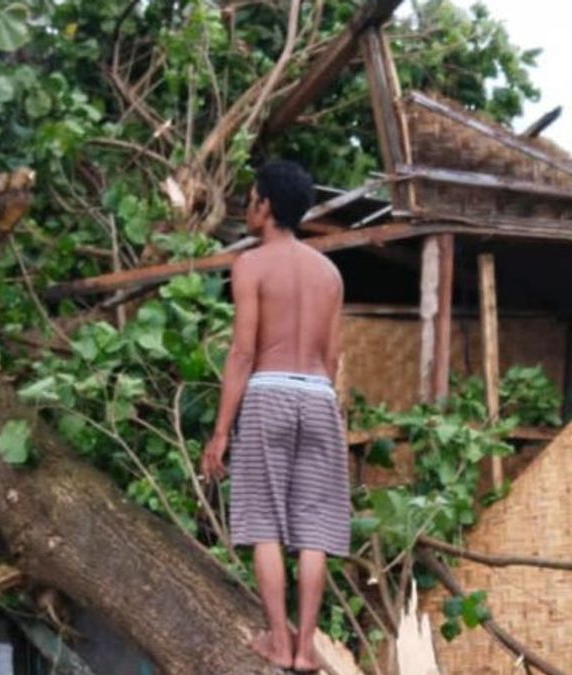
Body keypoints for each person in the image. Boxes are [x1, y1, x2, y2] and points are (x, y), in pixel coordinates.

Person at [201, 160, 348, 673]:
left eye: (250, 198)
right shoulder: (330, 273)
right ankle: (306, 650)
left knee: (264, 522)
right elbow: (332, 358)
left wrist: (221, 432)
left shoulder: (252, 265)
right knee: (314, 530)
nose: (247, 205)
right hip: (320, 396)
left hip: (269, 392)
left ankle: (278, 644)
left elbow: (242, 353)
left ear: (266, 206)